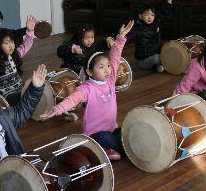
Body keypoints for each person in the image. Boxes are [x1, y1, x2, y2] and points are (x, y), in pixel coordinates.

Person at [39, 21, 135, 161]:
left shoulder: (110, 81)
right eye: (101, 67)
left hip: (112, 129)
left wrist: (120, 37)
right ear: (90, 72)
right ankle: (120, 151)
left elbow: (115, 57)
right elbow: (70, 100)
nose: (107, 69)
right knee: (105, 137)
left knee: (124, 131)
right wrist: (55, 110)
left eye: (107, 66)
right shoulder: (87, 89)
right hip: (94, 135)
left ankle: (112, 150)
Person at [0, 14, 36, 106]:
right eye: (6, 43)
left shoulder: (13, 55)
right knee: (27, 97)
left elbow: (26, 45)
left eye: (12, 42)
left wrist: (30, 31)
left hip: (18, 89)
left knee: (37, 87)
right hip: (3, 96)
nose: (11, 45)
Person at [126, 0, 176, 72]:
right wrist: (114, 40)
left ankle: (159, 66)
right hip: (144, 59)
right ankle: (161, 64)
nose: (150, 17)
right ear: (140, 16)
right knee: (156, 58)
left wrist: (169, 0)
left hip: (157, 53)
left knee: (170, 49)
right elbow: (126, 38)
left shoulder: (156, 23)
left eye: (152, 15)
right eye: (147, 15)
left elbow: (164, 14)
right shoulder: (137, 29)